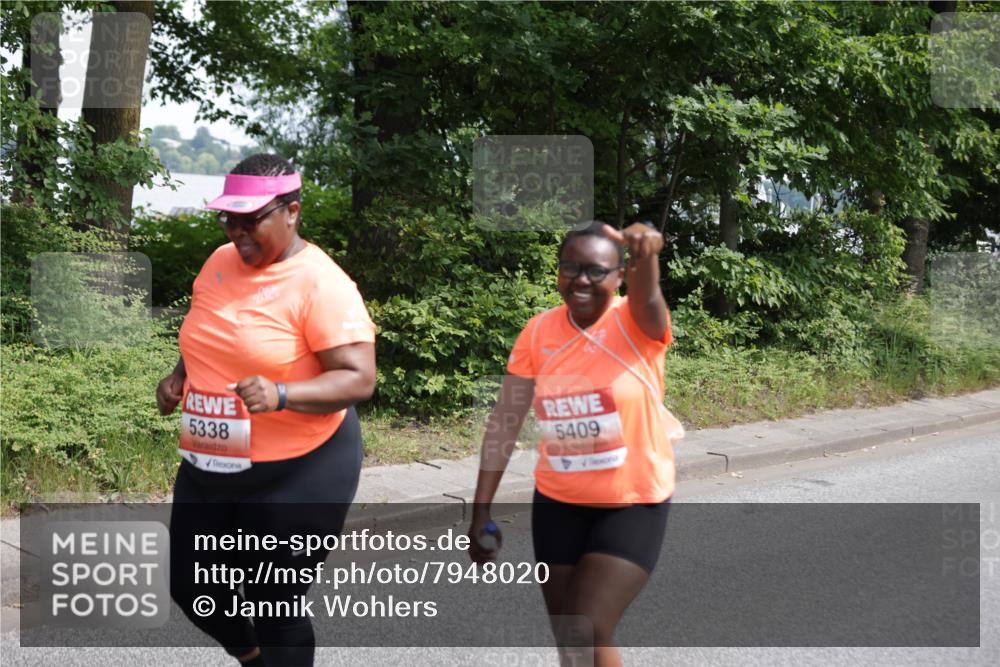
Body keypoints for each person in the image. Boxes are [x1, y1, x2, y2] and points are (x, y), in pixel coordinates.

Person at [155, 153, 376, 666]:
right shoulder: (218, 262)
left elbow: (359, 378)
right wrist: (179, 376)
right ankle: (253, 658)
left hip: (302, 467)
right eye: (228, 218)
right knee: (190, 584)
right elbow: (208, 334)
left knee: (273, 601)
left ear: (292, 211)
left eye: (251, 219)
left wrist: (282, 393)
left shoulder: (322, 283)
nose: (237, 232)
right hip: (212, 459)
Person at [468, 220, 684, 667]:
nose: (581, 280)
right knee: (572, 640)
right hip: (558, 503)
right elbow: (506, 421)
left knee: (587, 627)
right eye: (571, 267)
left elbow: (647, 296)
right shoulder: (538, 332)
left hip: (631, 502)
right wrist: (481, 511)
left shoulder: (635, 322)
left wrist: (647, 253)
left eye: (596, 270)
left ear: (619, 275)